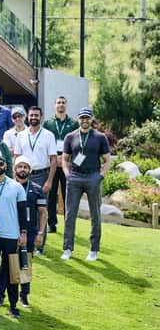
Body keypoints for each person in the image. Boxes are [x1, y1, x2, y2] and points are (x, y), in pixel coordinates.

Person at [60, 107, 110, 262]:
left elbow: (107, 160)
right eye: (82, 118)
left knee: (95, 214)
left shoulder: (100, 137)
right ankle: (68, 249)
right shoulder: (70, 136)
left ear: (91, 119)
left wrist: (100, 176)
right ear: (78, 119)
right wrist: (67, 174)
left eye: (87, 118)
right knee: (70, 214)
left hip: (93, 177)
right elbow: (64, 158)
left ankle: (94, 249)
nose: (84, 120)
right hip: (75, 177)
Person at [11, 157, 47, 308]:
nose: (23, 169)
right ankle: (2, 295)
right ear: (15, 169)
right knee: (9, 263)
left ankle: (24, 295)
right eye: (20, 166)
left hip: (31, 231)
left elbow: (43, 213)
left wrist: (40, 233)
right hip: (11, 230)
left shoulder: (37, 189)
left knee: (25, 263)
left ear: (30, 170)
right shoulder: (9, 187)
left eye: (26, 167)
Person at [42, 95, 75, 237]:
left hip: (67, 164)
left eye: (63, 103)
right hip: (53, 163)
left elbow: (78, 144)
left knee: (68, 195)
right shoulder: (48, 123)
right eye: (58, 103)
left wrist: (68, 159)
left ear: (66, 105)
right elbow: (43, 143)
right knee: (51, 195)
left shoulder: (73, 124)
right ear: (54, 105)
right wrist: (54, 159)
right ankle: (52, 224)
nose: (61, 105)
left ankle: (69, 224)